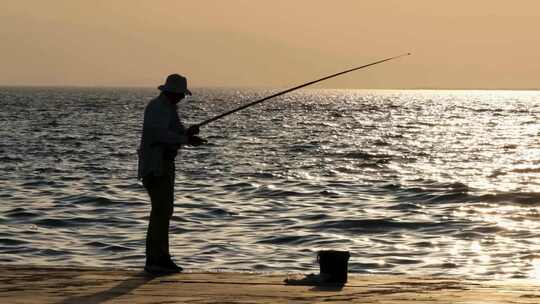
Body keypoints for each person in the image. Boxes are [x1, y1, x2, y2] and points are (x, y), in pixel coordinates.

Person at [138, 74, 206, 274]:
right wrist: (185, 139)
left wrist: (188, 133)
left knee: (164, 212)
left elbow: (176, 131)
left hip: (165, 164)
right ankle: (155, 259)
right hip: (156, 166)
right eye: (180, 95)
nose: (182, 98)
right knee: (161, 211)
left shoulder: (169, 109)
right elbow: (160, 134)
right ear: (172, 93)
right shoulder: (157, 108)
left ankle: (161, 257)